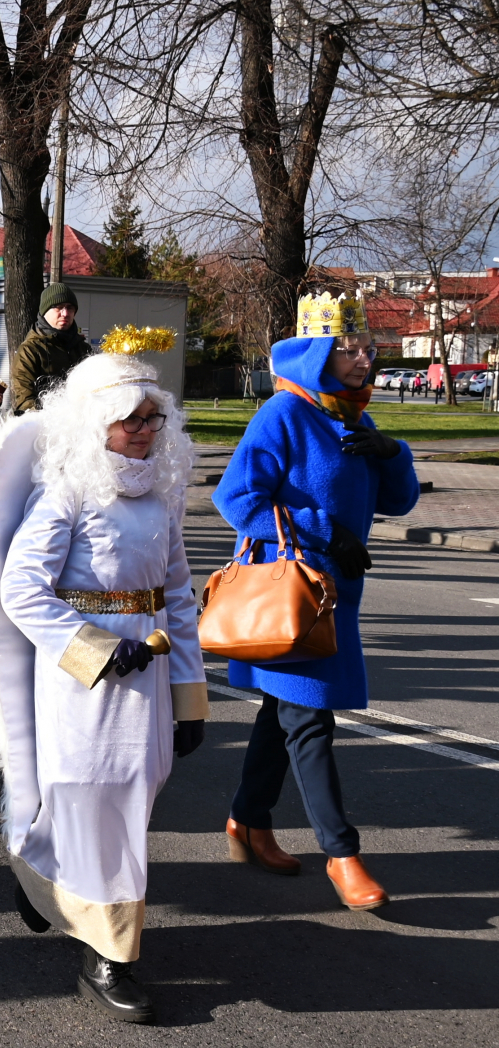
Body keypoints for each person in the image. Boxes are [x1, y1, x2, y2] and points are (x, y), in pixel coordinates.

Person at [0, 349, 206, 1024]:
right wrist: (95, 651)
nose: (145, 430)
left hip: (147, 681)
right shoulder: (66, 494)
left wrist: (188, 694)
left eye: (153, 418)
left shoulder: (161, 498)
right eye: (131, 418)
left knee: (127, 799)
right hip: (81, 685)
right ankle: (108, 955)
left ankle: (42, 874)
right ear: (96, 422)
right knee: (91, 799)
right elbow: (22, 588)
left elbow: (178, 597)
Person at [214, 291, 419, 912]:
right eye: (349, 350)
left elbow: (399, 502)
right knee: (309, 722)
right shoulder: (284, 411)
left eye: (368, 349)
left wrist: (393, 453)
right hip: (290, 594)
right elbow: (236, 498)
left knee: (281, 716)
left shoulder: (353, 416)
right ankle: (341, 854)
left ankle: (247, 821)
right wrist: (328, 532)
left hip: (333, 598)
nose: (364, 360)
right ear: (316, 354)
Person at [12, 281, 91, 414]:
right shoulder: (30, 350)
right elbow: (25, 400)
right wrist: (49, 421)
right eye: (58, 307)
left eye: (70, 307)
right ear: (44, 311)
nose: (65, 313)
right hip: (45, 423)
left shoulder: (84, 349)